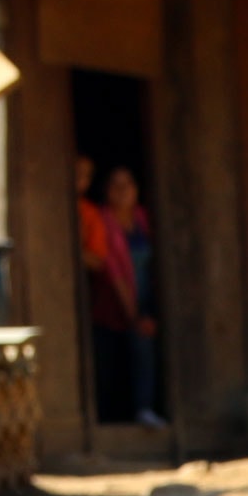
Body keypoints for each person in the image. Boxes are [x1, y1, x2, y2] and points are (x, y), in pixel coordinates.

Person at [74, 154, 138, 423]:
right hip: (97, 306)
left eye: (85, 174)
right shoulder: (96, 216)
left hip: (102, 305)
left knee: (109, 367)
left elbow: (99, 260)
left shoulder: (90, 215)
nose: (79, 180)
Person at [102, 165, 161, 428]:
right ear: (107, 192)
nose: (123, 191)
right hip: (114, 301)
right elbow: (114, 272)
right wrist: (135, 315)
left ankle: (147, 407)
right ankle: (129, 412)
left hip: (146, 295)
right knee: (116, 356)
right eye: (116, 185)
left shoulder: (144, 219)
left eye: (128, 184)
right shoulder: (105, 223)